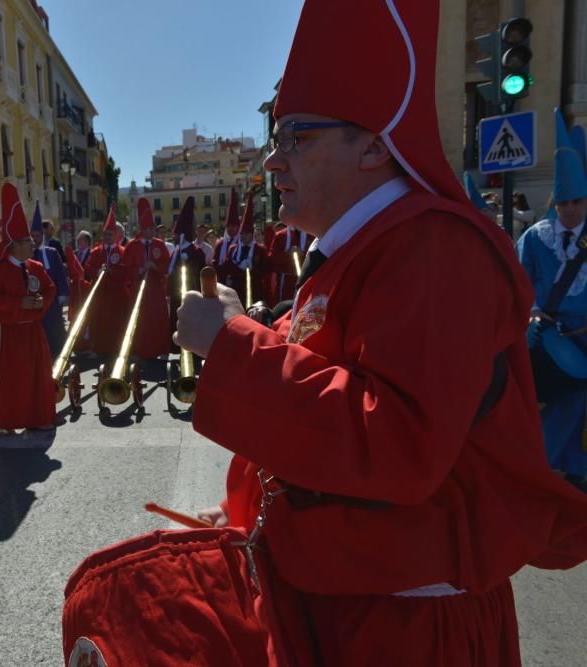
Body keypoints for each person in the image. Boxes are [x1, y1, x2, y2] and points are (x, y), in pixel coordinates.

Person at [173, 3, 587, 664]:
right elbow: (316, 394)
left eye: (297, 137)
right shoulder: (357, 253)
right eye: (275, 138)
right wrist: (249, 500)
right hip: (348, 610)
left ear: (374, 143)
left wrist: (230, 345)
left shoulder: (432, 247)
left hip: (407, 631)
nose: (273, 162)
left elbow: (394, 441)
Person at [518, 109, 587, 493]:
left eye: (577, 201)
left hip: (583, 334)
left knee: (578, 396)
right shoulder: (534, 237)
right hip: (545, 334)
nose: (571, 209)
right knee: (561, 395)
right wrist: (531, 311)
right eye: (564, 203)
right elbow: (516, 279)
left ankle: (572, 466)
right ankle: (546, 464)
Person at [0, 182, 56, 432]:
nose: (32, 244)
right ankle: (9, 420)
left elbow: (50, 288)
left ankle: (39, 417)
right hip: (8, 334)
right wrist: (18, 303)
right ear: (13, 244)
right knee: (12, 379)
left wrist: (42, 302)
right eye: (26, 241)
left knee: (37, 376)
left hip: (33, 330)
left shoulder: (35, 267)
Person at [121, 197, 171, 359]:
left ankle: (161, 349)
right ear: (142, 229)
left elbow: (166, 265)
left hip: (155, 288)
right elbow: (126, 267)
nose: (151, 232)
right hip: (139, 287)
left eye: (152, 229)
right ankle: (139, 349)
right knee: (139, 318)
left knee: (158, 317)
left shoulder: (159, 245)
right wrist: (141, 269)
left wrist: (155, 266)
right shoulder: (133, 246)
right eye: (148, 229)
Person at [82, 205, 130, 357]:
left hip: (117, 295)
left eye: (110, 234)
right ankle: (98, 348)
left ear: (116, 235)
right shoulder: (96, 252)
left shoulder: (122, 251)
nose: (107, 237)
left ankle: (117, 350)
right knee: (99, 322)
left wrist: (112, 271)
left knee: (117, 324)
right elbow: (88, 268)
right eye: (105, 234)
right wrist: (97, 271)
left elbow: (127, 271)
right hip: (101, 295)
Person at [31, 202, 69, 358]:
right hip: (34, 301)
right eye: (32, 236)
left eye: (37, 236)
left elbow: (60, 273)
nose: (35, 239)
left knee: (54, 328)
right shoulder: (26, 254)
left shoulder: (52, 252)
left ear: (43, 235)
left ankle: (58, 355)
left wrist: (62, 294)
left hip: (52, 301)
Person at [166, 196, 207, 343]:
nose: (175, 237)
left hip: (191, 293)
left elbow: (200, 272)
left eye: (177, 234)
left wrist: (187, 262)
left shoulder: (196, 252)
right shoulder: (176, 251)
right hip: (176, 293)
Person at [223, 190, 271, 308]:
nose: (243, 236)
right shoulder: (233, 249)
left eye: (246, 234)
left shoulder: (260, 250)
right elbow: (227, 265)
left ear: (252, 234)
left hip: (255, 288)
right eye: (242, 233)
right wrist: (240, 268)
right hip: (237, 289)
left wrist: (252, 269)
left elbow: (266, 267)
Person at [267, 223, 313, 305]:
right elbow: (273, 257)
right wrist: (288, 254)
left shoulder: (311, 235)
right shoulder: (280, 235)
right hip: (285, 281)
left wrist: (303, 253)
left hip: (306, 278)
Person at [212, 189, 241, 284]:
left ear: (238, 227)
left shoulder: (241, 243)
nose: (230, 229)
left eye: (233, 226)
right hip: (222, 280)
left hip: (238, 281)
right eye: (229, 226)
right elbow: (215, 261)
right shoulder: (220, 244)